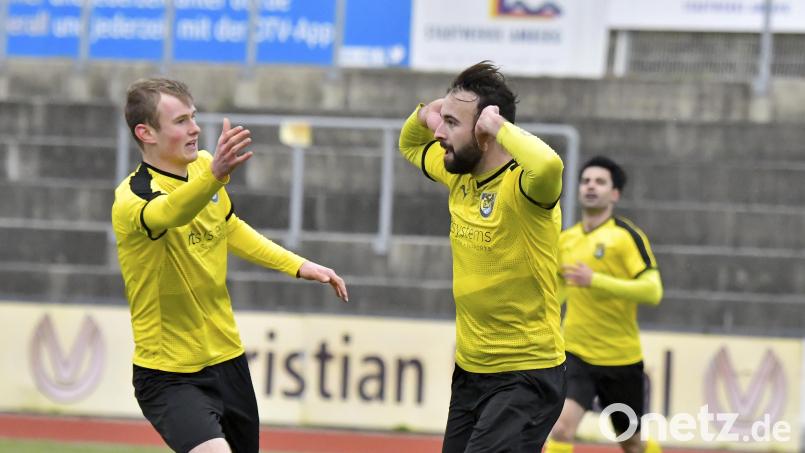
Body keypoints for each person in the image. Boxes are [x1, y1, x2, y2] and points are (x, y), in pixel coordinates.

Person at [112, 78, 348, 453]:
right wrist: (214, 177)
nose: (194, 128)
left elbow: (230, 228)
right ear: (146, 133)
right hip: (168, 373)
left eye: (193, 117)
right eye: (180, 121)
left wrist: (299, 265)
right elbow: (171, 212)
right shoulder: (133, 196)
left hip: (228, 360)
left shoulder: (204, 168)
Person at [398, 61, 566, 452]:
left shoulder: (524, 187)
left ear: (485, 132)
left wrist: (500, 126)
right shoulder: (458, 173)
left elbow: (550, 164)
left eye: (451, 123)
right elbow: (409, 145)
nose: (439, 133)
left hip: (525, 373)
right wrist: (427, 112)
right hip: (470, 372)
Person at [545, 156, 663, 453]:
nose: (590, 187)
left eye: (599, 182)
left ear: (615, 194)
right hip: (575, 353)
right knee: (560, 428)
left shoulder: (626, 236)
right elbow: (557, 293)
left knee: (632, 443)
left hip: (620, 359)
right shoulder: (566, 240)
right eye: (585, 181)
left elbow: (653, 291)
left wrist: (595, 280)